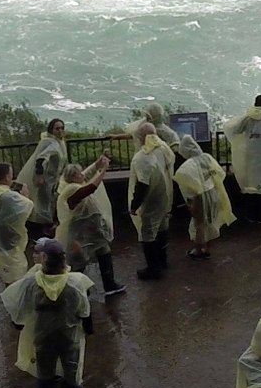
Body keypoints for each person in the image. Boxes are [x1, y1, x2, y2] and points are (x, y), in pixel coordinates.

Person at [0, 239, 95, 388]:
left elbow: (20, 311)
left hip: (43, 337)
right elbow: (85, 311)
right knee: (72, 370)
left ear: (44, 259)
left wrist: (19, 325)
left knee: (45, 372)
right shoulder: (75, 283)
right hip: (69, 337)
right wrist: (89, 329)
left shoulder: (31, 283)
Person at [57, 157, 126, 298]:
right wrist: (103, 170)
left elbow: (86, 174)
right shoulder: (72, 190)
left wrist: (97, 164)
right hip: (80, 229)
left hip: (91, 227)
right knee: (78, 260)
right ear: (73, 177)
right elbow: (91, 188)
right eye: (79, 174)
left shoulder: (70, 184)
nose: (82, 175)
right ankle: (79, 288)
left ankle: (109, 284)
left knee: (103, 250)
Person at [173, 134, 237, 261]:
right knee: (212, 221)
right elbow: (220, 173)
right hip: (214, 192)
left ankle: (198, 251)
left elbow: (186, 183)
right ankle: (207, 249)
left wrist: (190, 202)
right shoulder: (207, 157)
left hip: (199, 198)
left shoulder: (188, 165)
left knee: (199, 224)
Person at [128, 124, 176, 281]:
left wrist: (134, 205)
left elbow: (142, 185)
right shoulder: (163, 148)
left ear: (143, 137)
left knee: (148, 233)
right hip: (165, 196)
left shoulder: (142, 157)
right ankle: (162, 261)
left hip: (152, 200)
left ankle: (153, 269)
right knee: (162, 228)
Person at [224, 95, 261, 219]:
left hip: (251, 156)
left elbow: (233, 129)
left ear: (255, 103)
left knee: (251, 183)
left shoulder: (247, 118)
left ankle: (252, 214)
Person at [0, 164, 35, 285]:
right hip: (8, 241)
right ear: (8, 177)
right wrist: (25, 195)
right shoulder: (9, 197)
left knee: (6, 272)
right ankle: (13, 294)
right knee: (15, 274)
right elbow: (27, 208)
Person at [19, 119, 70, 237]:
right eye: (57, 128)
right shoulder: (49, 142)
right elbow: (41, 159)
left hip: (53, 179)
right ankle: (40, 230)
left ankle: (47, 227)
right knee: (42, 202)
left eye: (62, 128)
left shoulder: (60, 142)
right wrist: (40, 175)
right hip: (45, 179)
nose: (60, 131)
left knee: (50, 201)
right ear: (51, 130)